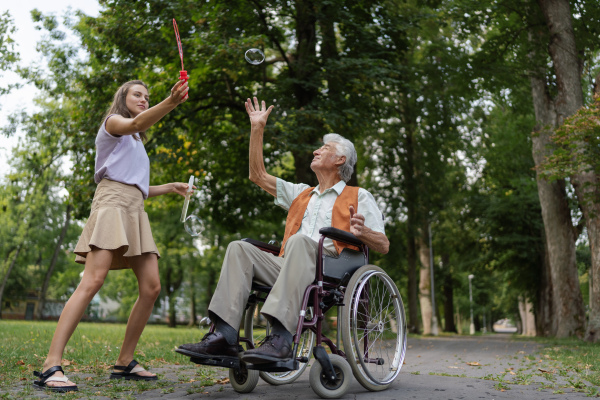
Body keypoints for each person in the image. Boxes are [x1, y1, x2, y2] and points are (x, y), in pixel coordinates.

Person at [177, 97, 389, 365]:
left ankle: (280, 338)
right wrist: (257, 129)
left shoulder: (359, 196)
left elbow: (383, 245)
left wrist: (363, 232)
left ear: (340, 160)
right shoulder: (301, 193)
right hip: (288, 266)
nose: (315, 151)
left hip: (331, 269)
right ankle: (224, 338)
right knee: (239, 248)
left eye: (324, 148)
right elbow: (257, 175)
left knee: (300, 242)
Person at [33, 79, 191, 393]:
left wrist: (172, 187)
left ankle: (124, 361)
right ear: (123, 97)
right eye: (138, 94)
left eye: (148, 97)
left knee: (151, 286)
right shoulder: (114, 124)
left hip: (134, 209)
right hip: (111, 206)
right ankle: (51, 364)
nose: (144, 99)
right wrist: (171, 101)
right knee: (92, 280)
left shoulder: (136, 143)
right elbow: (135, 124)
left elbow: (137, 187)